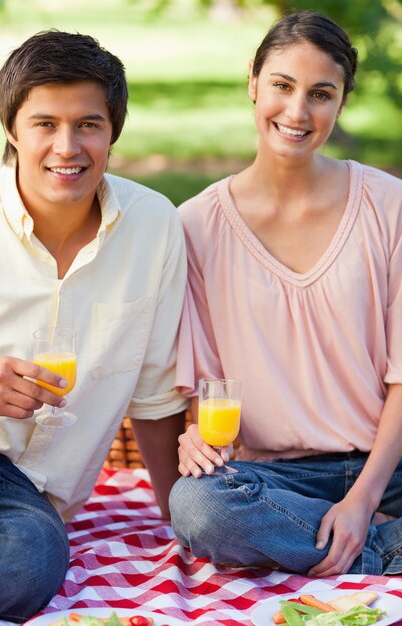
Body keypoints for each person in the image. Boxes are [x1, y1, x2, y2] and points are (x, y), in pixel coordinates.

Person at [169, 11, 402, 578]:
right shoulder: (196, 225)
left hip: (390, 467)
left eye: (321, 93)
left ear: (342, 102)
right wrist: (198, 441)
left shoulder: (389, 206)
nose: (297, 112)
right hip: (273, 478)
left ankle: (325, 537)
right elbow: (206, 382)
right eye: (282, 86)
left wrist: (364, 499)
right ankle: (380, 551)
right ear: (253, 81)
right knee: (197, 507)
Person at [0, 30, 188, 622]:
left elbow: (155, 393)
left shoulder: (153, 226)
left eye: (88, 125)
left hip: (25, 501)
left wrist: (182, 522)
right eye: (45, 123)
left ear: (113, 132)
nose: (67, 147)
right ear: (12, 129)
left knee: (29, 558)